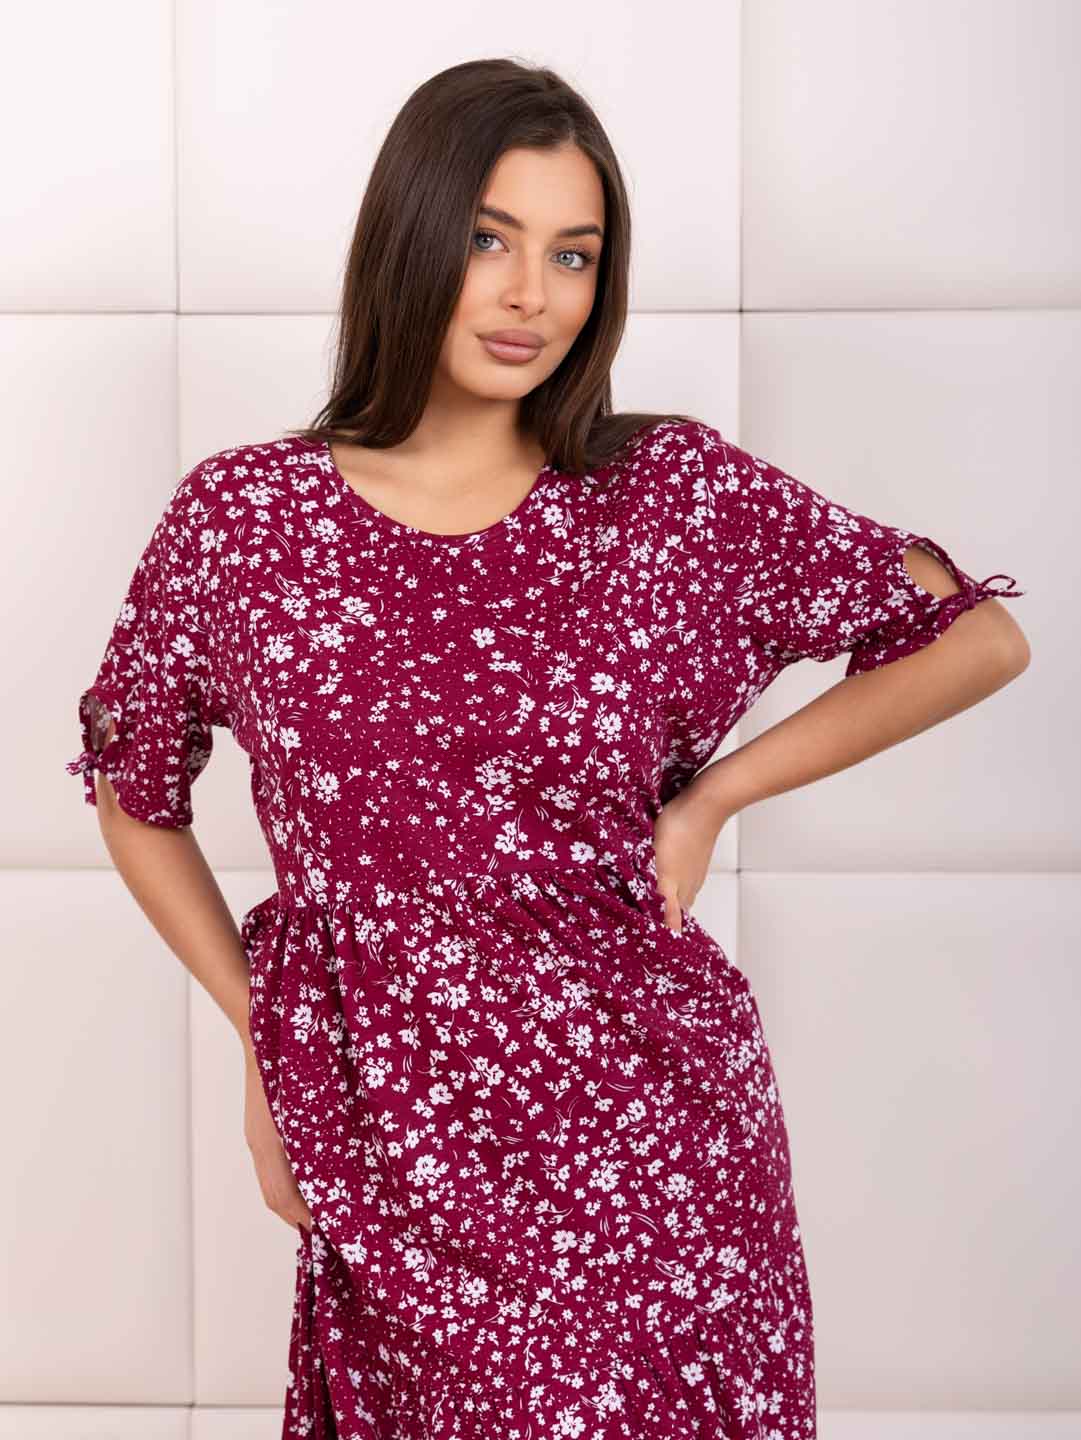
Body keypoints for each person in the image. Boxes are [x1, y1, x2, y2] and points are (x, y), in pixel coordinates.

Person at [66, 57, 1029, 1440]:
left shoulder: (664, 497)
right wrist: (271, 1039)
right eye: (488, 240)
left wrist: (712, 800)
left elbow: (973, 636)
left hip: (657, 1152)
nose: (532, 294)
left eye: (573, 255)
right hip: (394, 1148)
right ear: (408, 238)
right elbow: (136, 791)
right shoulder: (246, 520)